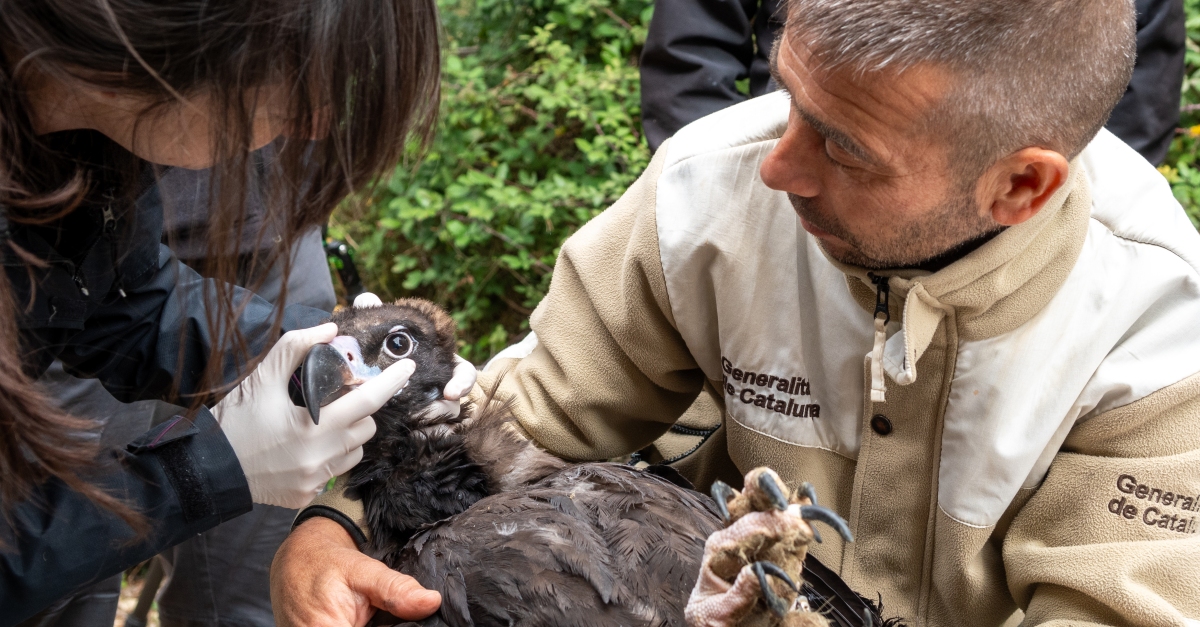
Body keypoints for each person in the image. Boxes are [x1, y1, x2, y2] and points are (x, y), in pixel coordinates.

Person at [276, 0, 1200, 625]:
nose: (777, 166)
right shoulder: (703, 193)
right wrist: (335, 533)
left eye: (843, 145)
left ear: (1021, 184)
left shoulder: (1156, 334)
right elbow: (516, 422)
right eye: (787, 96)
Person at [0, 1, 474, 623]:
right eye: (301, 80)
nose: (315, 125)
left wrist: (332, 353)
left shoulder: (79, 146)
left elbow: (119, 302)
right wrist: (203, 472)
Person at [639, 0, 1186, 166]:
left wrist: (1060, 222)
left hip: (999, 206)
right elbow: (690, 50)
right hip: (788, 144)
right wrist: (723, 182)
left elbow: (1140, 98)